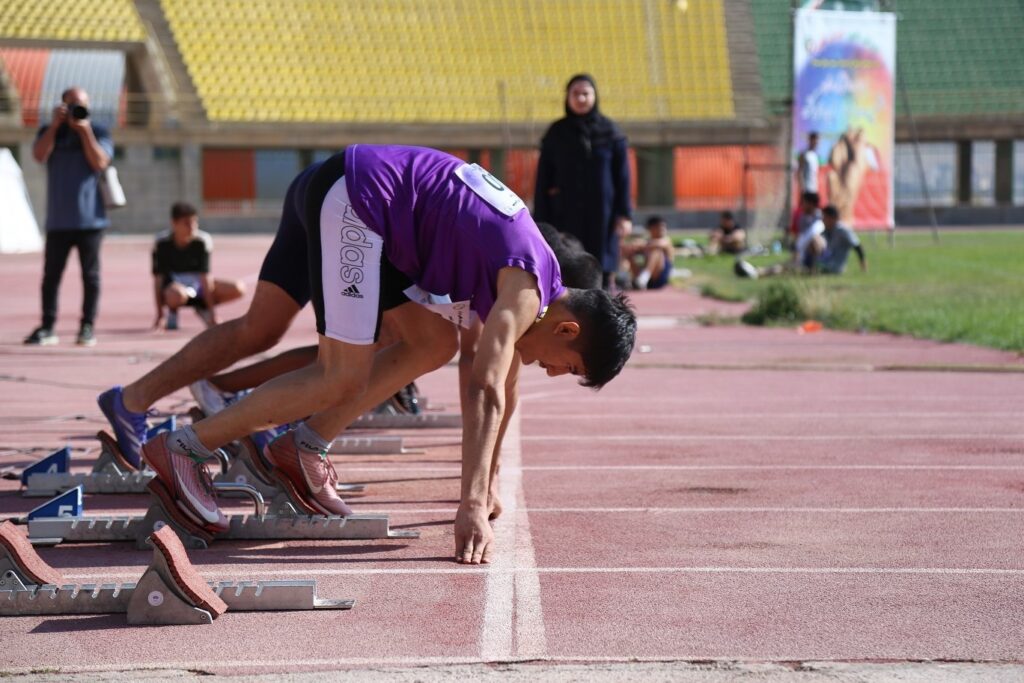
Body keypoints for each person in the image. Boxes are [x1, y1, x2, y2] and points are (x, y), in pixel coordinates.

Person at [106, 146, 635, 565]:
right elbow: (485, 386)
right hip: (358, 200)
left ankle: (301, 448)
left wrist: (489, 480)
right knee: (341, 374)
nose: (548, 369)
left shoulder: (540, 282)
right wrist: (471, 503)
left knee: (432, 342)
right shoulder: (526, 290)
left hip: (374, 204)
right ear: (568, 329)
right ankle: (184, 449)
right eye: (564, 366)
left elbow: (506, 386)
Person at [24, 87, 113, 347]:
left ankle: (87, 327)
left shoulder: (98, 131)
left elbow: (100, 162)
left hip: (91, 220)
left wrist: (84, 130)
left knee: (91, 277)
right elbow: (39, 156)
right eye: (71, 105)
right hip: (58, 220)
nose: (77, 109)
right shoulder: (50, 131)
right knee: (51, 276)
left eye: (81, 105)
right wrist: (54, 125)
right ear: (62, 106)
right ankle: (48, 326)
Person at [534, 73, 632, 290]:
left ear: (594, 96)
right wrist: (541, 219)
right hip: (565, 212)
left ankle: (604, 316)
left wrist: (624, 214)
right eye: (575, 94)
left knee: (603, 268)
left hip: (602, 213)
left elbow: (623, 177)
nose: (581, 99)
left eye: (585, 93)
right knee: (566, 267)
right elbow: (543, 179)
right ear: (567, 97)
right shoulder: (556, 133)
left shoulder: (611, 132)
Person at [152, 202, 245, 331]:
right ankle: (172, 312)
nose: (192, 227)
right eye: (187, 223)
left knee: (237, 288)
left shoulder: (202, 241)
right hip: (174, 290)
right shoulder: (162, 243)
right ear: (174, 223)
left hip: (198, 286)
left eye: (194, 222)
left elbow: (205, 276)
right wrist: (159, 315)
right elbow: (158, 280)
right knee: (176, 294)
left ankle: (203, 308)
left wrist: (213, 313)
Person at [735, 204, 865, 278]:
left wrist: (863, 264)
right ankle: (758, 271)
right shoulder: (828, 229)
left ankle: (757, 273)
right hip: (825, 262)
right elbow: (820, 245)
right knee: (793, 264)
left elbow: (857, 245)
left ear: (832, 218)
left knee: (792, 268)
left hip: (832, 268)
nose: (823, 220)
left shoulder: (843, 230)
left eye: (825, 217)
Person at [619, 216, 674, 290]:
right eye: (659, 227)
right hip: (645, 280)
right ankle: (623, 277)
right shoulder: (647, 242)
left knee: (656, 251)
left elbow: (657, 244)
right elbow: (639, 246)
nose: (662, 229)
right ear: (650, 228)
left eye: (664, 227)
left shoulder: (666, 241)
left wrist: (640, 244)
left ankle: (643, 278)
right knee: (629, 252)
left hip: (659, 279)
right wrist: (631, 247)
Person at [796, 131, 820, 197]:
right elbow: (799, 171)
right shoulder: (804, 154)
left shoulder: (815, 155)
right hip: (806, 189)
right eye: (814, 141)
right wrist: (802, 187)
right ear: (810, 140)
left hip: (814, 188)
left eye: (817, 141)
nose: (816, 143)